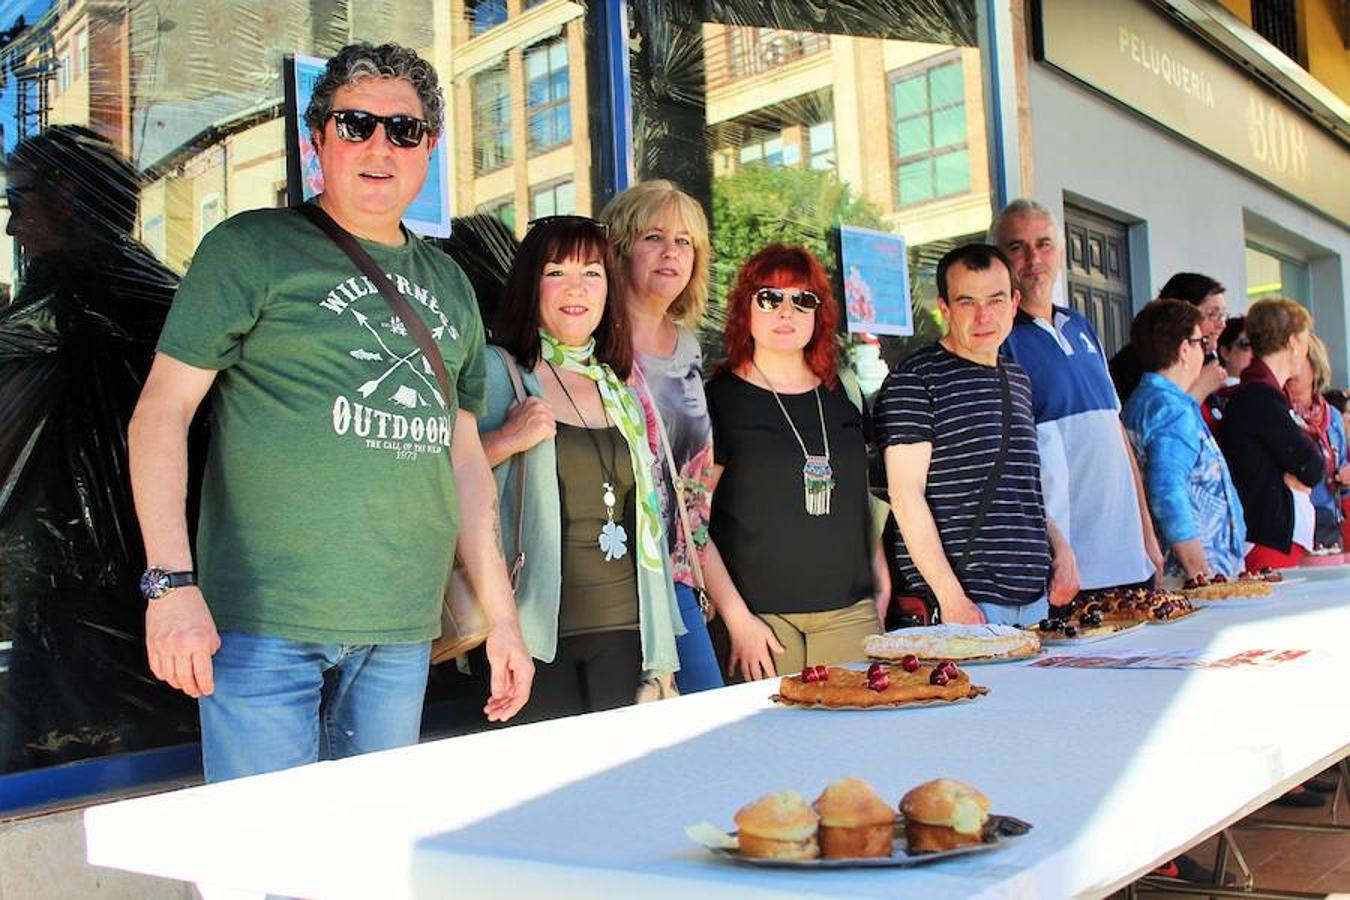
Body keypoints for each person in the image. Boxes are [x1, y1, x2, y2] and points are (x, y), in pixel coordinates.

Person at [127, 42, 533, 782]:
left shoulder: (450, 284)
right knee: (263, 865)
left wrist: (502, 618)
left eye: (402, 130)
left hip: (402, 627)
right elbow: (160, 413)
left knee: (368, 859)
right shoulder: (251, 249)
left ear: (429, 149)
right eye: (355, 125)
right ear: (319, 141)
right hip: (262, 626)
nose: (379, 145)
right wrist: (171, 585)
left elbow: (464, 457)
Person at [0, 126, 193, 772]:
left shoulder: (63, 307)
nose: (10, 227)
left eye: (16, 201)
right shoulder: (174, 300)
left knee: (60, 755)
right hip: (165, 577)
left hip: (71, 588)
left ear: (67, 201)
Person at [476, 215, 684, 720]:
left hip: (626, 633)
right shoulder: (499, 371)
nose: (577, 289)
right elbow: (444, 478)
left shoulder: (622, 389)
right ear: (531, 285)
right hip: (535, 637)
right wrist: (506, 438)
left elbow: (646, 531)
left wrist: (661, 662)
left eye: (592, 273)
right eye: (556, 272)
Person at [704, 244, 888, 673]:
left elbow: (860, 500)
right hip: (762, 622)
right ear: (744, 309)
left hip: (851, 612)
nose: (785, 312)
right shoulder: (718, 400)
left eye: (802, 299)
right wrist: (736, 618)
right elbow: (694, 524)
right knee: (775, 740)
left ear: (817, 314)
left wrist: (881, 585)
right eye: (769, 298)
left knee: (856, 737)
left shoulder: (843, 391)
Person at [876, 244, 1077, 625]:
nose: (984, 316)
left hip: (1035, 599)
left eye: (996, 300)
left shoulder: (1017, 378)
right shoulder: (914, 381)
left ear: (1015, 303)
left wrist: (1062, 551)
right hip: (965, 608)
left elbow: (1024, 487)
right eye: (967, 302)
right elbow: (905, 495)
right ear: (945, 308)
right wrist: (951, 598)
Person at [991, 198, 1164, 593]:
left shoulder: (1080, 327)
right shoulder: (1000, 341)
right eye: (1016, 247)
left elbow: (1116, 435)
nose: (1033, 257)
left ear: (1061, 251)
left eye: (1044, 243)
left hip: (1127, 559)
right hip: (1069, 571)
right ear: (999, 259)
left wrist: (1147, 535)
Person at [599, 181, 725, 689]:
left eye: (685, 241)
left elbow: (695, 483)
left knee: (706, 727)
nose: (671, 252)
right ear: (622, 248)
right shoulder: (591, 340)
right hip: (610, 581)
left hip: (675, 578)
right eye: (654, 236)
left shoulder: (689, 346)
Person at [1121, 301, 1246, 581]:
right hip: (1193, 579)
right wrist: (1198, 570)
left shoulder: (1147, 399)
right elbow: (1167, 491)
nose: (1206, 350)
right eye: (1200, 342)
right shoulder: (1171, 409)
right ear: (1184, 349)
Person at [1218, 297, 1323, 570]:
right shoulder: (1260, 397)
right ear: (1292, 342)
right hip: (1265, 541)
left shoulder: (1263, 393)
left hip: (1272, 537)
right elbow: (1311, 466)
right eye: (1304, 339)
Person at [1109, 272, 1229, 406]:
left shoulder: (1209, 360)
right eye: (1213, 314)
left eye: (1223, 315)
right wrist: (1200, 389)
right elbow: (1165, 419)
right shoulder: (1141, 360)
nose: (1222, 324)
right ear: (1183, 312)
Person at [1284, 334, 1350, 550]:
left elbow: (1341, 472)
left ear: (1315, 365)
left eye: (1297, 360)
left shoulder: (1332, 417)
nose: (1290, 369)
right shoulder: (1278, 411)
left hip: (1328, 524)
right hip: (1292, 525)